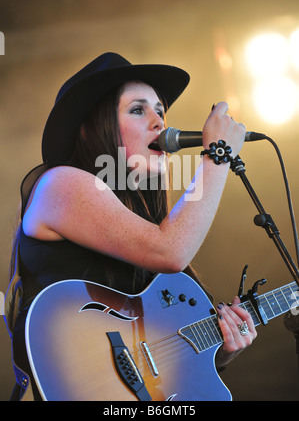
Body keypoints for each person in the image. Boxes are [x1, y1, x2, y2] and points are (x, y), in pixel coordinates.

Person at [5, 52, 256, 401]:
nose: (159, 123)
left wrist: (223, 348)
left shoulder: (144, 225)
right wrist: (218, 156)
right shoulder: (59, 184)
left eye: (160, 111)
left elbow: (152, 363)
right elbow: (171, 252)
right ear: (91, 127)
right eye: (138, 110)